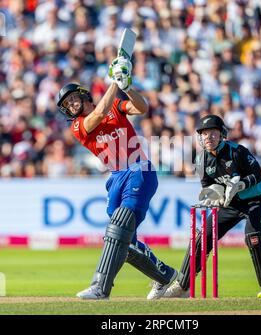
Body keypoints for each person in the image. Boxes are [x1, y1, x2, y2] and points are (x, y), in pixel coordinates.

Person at [56, 56, 177, 300]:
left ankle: (100, 287)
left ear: (83, 95)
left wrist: (127, 86)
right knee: (123, 240)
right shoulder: (78, 126)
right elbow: (99, 115)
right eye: (66, 105)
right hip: (116, 178)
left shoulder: (115, 106)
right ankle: (164, 276)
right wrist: (115, 81)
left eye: (72, 99)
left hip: (138, 170)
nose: (70, 106)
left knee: (119, 229)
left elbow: (142, 108)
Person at [150, 114, 261, 299]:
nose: (207, 138)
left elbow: (258, 174)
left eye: (212, 134)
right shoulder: (201, 160)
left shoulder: (237, 151)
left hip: (254, 199)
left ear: (222, 135)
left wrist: (240, 185)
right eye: (203, 134)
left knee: (254, 236)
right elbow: (207, 187)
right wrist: (215, 195)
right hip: (229, 204)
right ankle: (182, 285)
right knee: (203, 237)